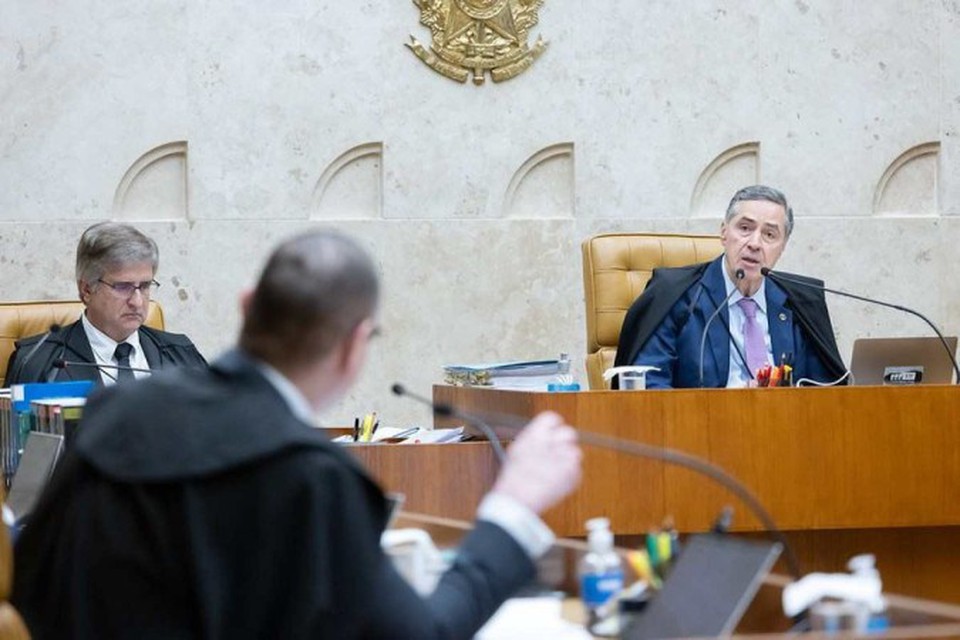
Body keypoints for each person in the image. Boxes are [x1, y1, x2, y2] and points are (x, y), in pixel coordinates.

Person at [12, 230, 583, 639]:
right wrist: (512, 509)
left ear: (247, 307)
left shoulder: (116, 412)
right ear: (358, 344)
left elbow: (36, 581)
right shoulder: (310, 476)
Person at [615, 185, 846, 389]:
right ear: (724, 232)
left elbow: (826, 392)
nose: (754, 243)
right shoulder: (676, 295)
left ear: (782, 246)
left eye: (769, 234)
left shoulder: (802, 305)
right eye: (745, 228)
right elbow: (648, 385)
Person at [5, 222, 206, 386]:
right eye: (122, 287)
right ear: (86, 290)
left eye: (144, 286)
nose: (137, 302)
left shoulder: (182, 355)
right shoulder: (37, 362)